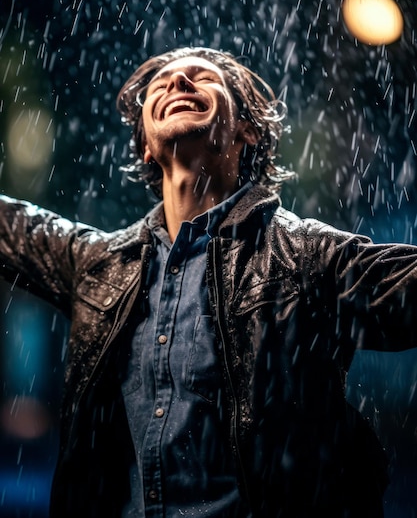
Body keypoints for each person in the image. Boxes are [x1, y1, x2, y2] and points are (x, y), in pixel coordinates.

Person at [0, 45, 416, 518]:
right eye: (164, 83)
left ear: (248, 130)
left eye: (202, 78)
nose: (178, 83)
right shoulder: (101, 265)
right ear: (144, 145)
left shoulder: (304, 257)